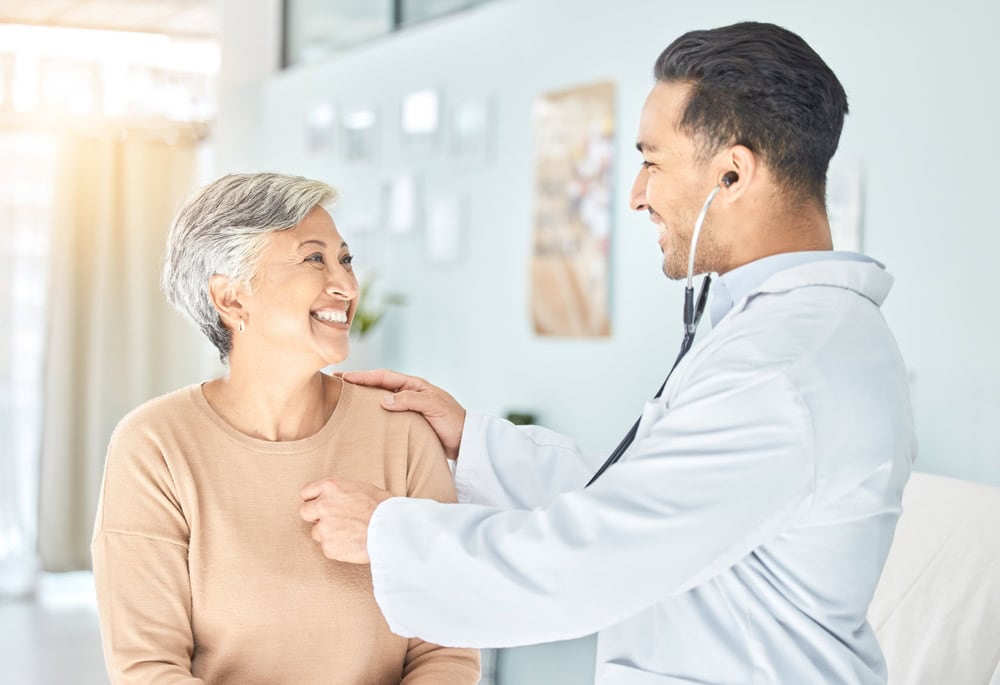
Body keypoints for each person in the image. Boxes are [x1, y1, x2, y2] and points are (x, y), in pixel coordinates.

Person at [299, 22, 918, 684]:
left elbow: (593, 560)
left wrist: (386, 534)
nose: (636, 194)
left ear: (733, 174)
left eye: (651, 162)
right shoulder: (792, 338)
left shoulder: (784, 372)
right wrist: (472, 443)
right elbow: (645, 502)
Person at [91, 173, 479, 685]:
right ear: (231, 300)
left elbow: (447, 653)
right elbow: (148, 667)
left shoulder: (402, 432)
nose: (345, 284)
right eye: (314, 258)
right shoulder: (154, 445)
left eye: (345, 258)